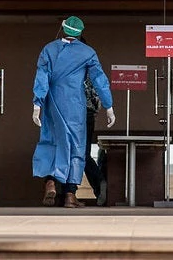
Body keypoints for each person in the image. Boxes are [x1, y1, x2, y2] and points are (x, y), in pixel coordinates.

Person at [31, 16, 115, 208]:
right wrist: (108, 106)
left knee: (51, 142)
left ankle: (50, 182)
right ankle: (70, 195)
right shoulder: (88, 52)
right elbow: (99, 80)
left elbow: (42, 76)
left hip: (52, 102)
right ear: (80, 32)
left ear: (63, 28)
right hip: (75, 105)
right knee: (76, 149)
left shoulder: (48, 49)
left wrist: (37, 103)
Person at [81, 38, 108, 206]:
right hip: (89, 114)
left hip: (72, 114)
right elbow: (98, 94)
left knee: (69, 153)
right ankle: (99, 184)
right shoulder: (93, 69)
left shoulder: (69, 70)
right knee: (83, 154)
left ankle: (68, 194)